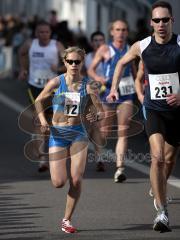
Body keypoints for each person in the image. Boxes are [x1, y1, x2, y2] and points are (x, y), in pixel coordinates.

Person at [107, 1, 180, 232]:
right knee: (157, 158)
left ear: (172, 21)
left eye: (165, 20)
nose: (160, 24)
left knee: (168, 161)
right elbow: (120, 63)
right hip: (154, 109)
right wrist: (113, 88)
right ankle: (161, 212)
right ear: (151, 22)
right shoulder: (142, 45)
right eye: (156, 20)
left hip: (177, 112)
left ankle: (158, 186)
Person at [35, 46, 104, 233]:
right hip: (58, 134)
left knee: (76, 179)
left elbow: (100, 111)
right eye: (70, 61)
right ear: (64, 62)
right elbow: (39, 100)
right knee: (58, 182)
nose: (74, 65)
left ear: (82, 63)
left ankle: (67, 220)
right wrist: (43, 120)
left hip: (78, 134)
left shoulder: (89, 85)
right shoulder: (56, 82)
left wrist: (95, 116)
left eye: (77, 62)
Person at [88, 20, 136, 182]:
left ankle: (120, 168)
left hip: (127, 94)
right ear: (112, 32)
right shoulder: (104, 49)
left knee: (123, 131)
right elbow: (90, 69)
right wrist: (98, 78)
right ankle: (98, 150)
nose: (121, 32)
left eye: (124, 29)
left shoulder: (131, 49)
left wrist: (141, 88)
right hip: (109, 92)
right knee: (105, 132)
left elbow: (135, 71)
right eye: (118, 29)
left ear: (127, 32)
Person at [18, 20, 65, 172]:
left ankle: (47, 146)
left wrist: (58, 67)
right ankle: (42, 159)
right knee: (38, 121)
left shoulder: (56, 46)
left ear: (50, 33)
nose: (44, 35)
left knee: (51, 122)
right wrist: (23, 69)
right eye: (41, 32)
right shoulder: (30, 44)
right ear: (36, 33)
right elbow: (21, 53)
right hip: (35, 86)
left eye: (46, 32)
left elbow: (69, 62)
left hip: (52, 88)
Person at [84, 31, 106, 171]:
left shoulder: (110, 57)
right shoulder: (87, 58)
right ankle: (99, 158)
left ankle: (97, 155)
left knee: (98, 128)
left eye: (101, 40)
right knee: (94, 126)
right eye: (95, 40)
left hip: (108, 95)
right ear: (91, 43)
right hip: (92, 97)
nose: (98, 43)